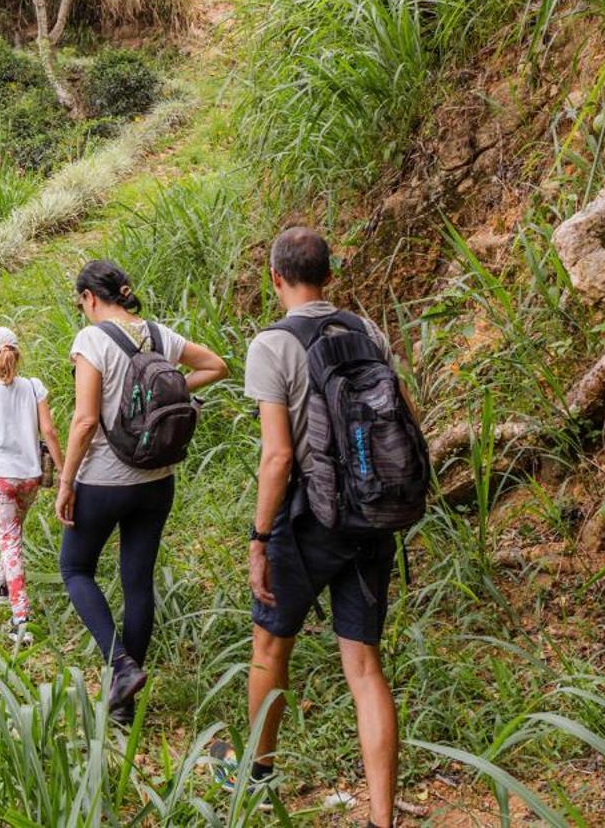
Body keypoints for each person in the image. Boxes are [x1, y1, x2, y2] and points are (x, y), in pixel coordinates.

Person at [232, 226, 401, 827]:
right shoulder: (367, 331)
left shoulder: (271, 345)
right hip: (371, 512)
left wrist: (258, 539)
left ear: (275, 278)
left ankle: (257, 773)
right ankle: (382, 818)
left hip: (306, 522)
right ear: (330, 276)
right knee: (364, 667)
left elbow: (278, 455)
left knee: (271, 645)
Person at [55, 258, 227, 724]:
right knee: (137, 583)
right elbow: (217, 365)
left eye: (81, 303)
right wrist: (170, 396)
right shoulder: (157, 333)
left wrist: (65, 481)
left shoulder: (91, 340)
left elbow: (86, 419)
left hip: (103, 481)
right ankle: (123, 705)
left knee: (74, 568)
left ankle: (121, 665)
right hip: (156, 479)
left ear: (89, 298)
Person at [0, 325, 63, 646]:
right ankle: (0, 580)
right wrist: (64, 472)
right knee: (12, 534)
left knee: (10, 543)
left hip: (2, 479)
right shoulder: (35, 387)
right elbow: (49, 431)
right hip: (31, 478)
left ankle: (20, 619)